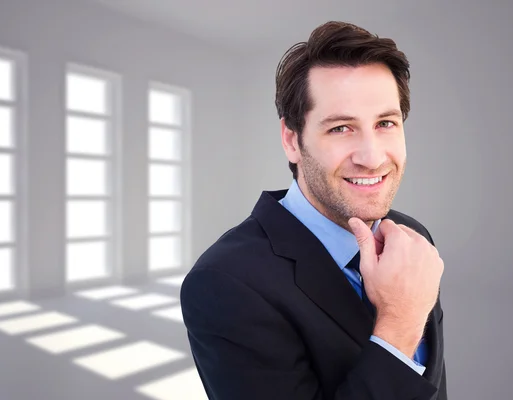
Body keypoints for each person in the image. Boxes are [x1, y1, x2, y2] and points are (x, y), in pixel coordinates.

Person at [180, 20, 447, 400]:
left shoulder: (411, 239)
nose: (372, 157)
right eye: (340, 128)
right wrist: (400, 324)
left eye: (386, 123)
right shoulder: (223, 283)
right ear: (292, 140)